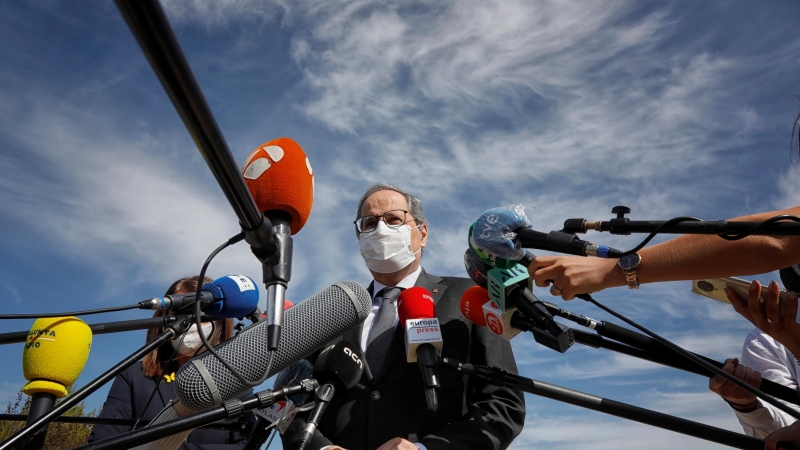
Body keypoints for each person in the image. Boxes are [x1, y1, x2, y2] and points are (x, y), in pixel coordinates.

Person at [282, 183, 526, 450]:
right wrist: (322, 448)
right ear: (360, 238)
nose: (381, 229)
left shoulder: (468, 297)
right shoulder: (334, 314)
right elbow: (289, 404)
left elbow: (503, 406)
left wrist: (425, 449)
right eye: (370, 222)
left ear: (422, 233)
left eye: (394, 219)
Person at [88, 276, 255, 449]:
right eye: (179, 313)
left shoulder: (239, 386)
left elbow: (248, 445)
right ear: (163, 319)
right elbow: (102, 442)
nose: (190, 323)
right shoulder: (133, 376)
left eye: (200, 313)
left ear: (221, 323)